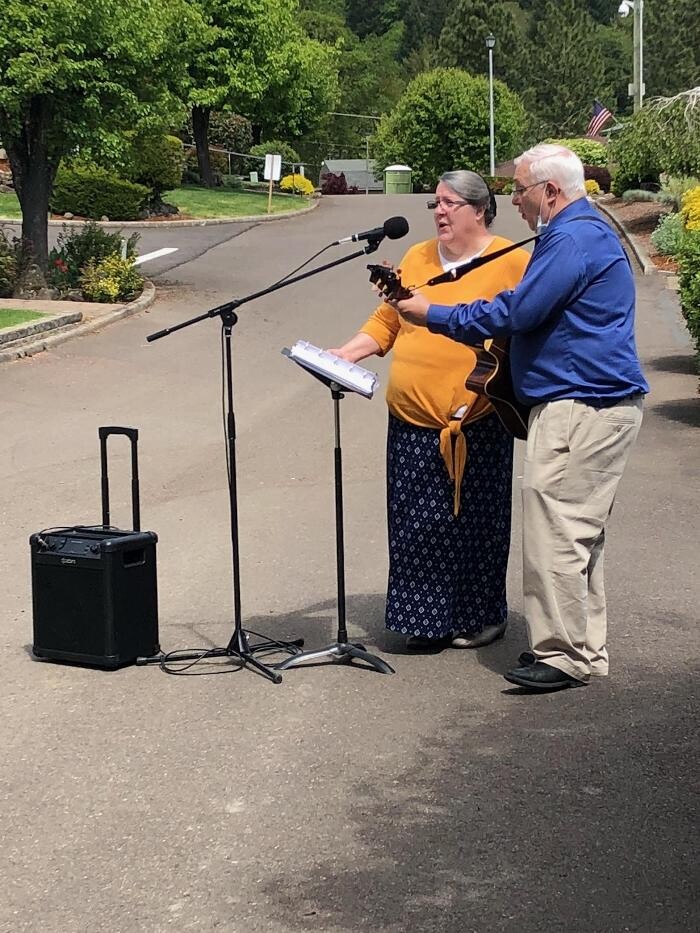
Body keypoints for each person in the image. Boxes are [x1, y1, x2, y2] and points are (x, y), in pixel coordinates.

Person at [391, 144, 649, 690]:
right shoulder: (577, 232)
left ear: (550, 191)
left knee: (557, 530)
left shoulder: (573, 237)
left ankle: (561, 656)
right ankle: (581, 651)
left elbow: (517, 311)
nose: (515, 201)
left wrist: (433, 314)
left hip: (583, 405)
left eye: (521, 190)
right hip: (590, 403)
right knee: (578, 532)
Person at [328, 170, 529, 651]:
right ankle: (424, 620)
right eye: (435, 203)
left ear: (479, 210)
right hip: (412, 420)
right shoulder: (417, 257)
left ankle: (481, 616)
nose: (438, 211)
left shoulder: (512, 262)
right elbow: (387, 321)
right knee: (417, 524)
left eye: (449, 203)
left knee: (477, 523)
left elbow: (525, 329)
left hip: (479, 417)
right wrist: (345, 354)